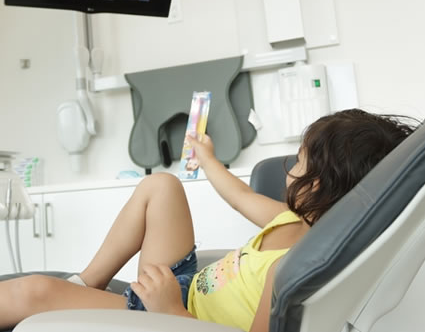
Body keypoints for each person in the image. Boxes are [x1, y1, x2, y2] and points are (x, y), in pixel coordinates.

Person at [0, 109, 419, 332]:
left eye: (300, 162)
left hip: (173, 317)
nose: (289, 168)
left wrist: (169, 312)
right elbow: (239, 196)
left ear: (320, 186)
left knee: (33, 292)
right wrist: (207, 158)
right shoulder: (292, 220)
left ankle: (73, 292)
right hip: (182, 285)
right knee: (160, 186)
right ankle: (86, 281)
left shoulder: (291, 268)